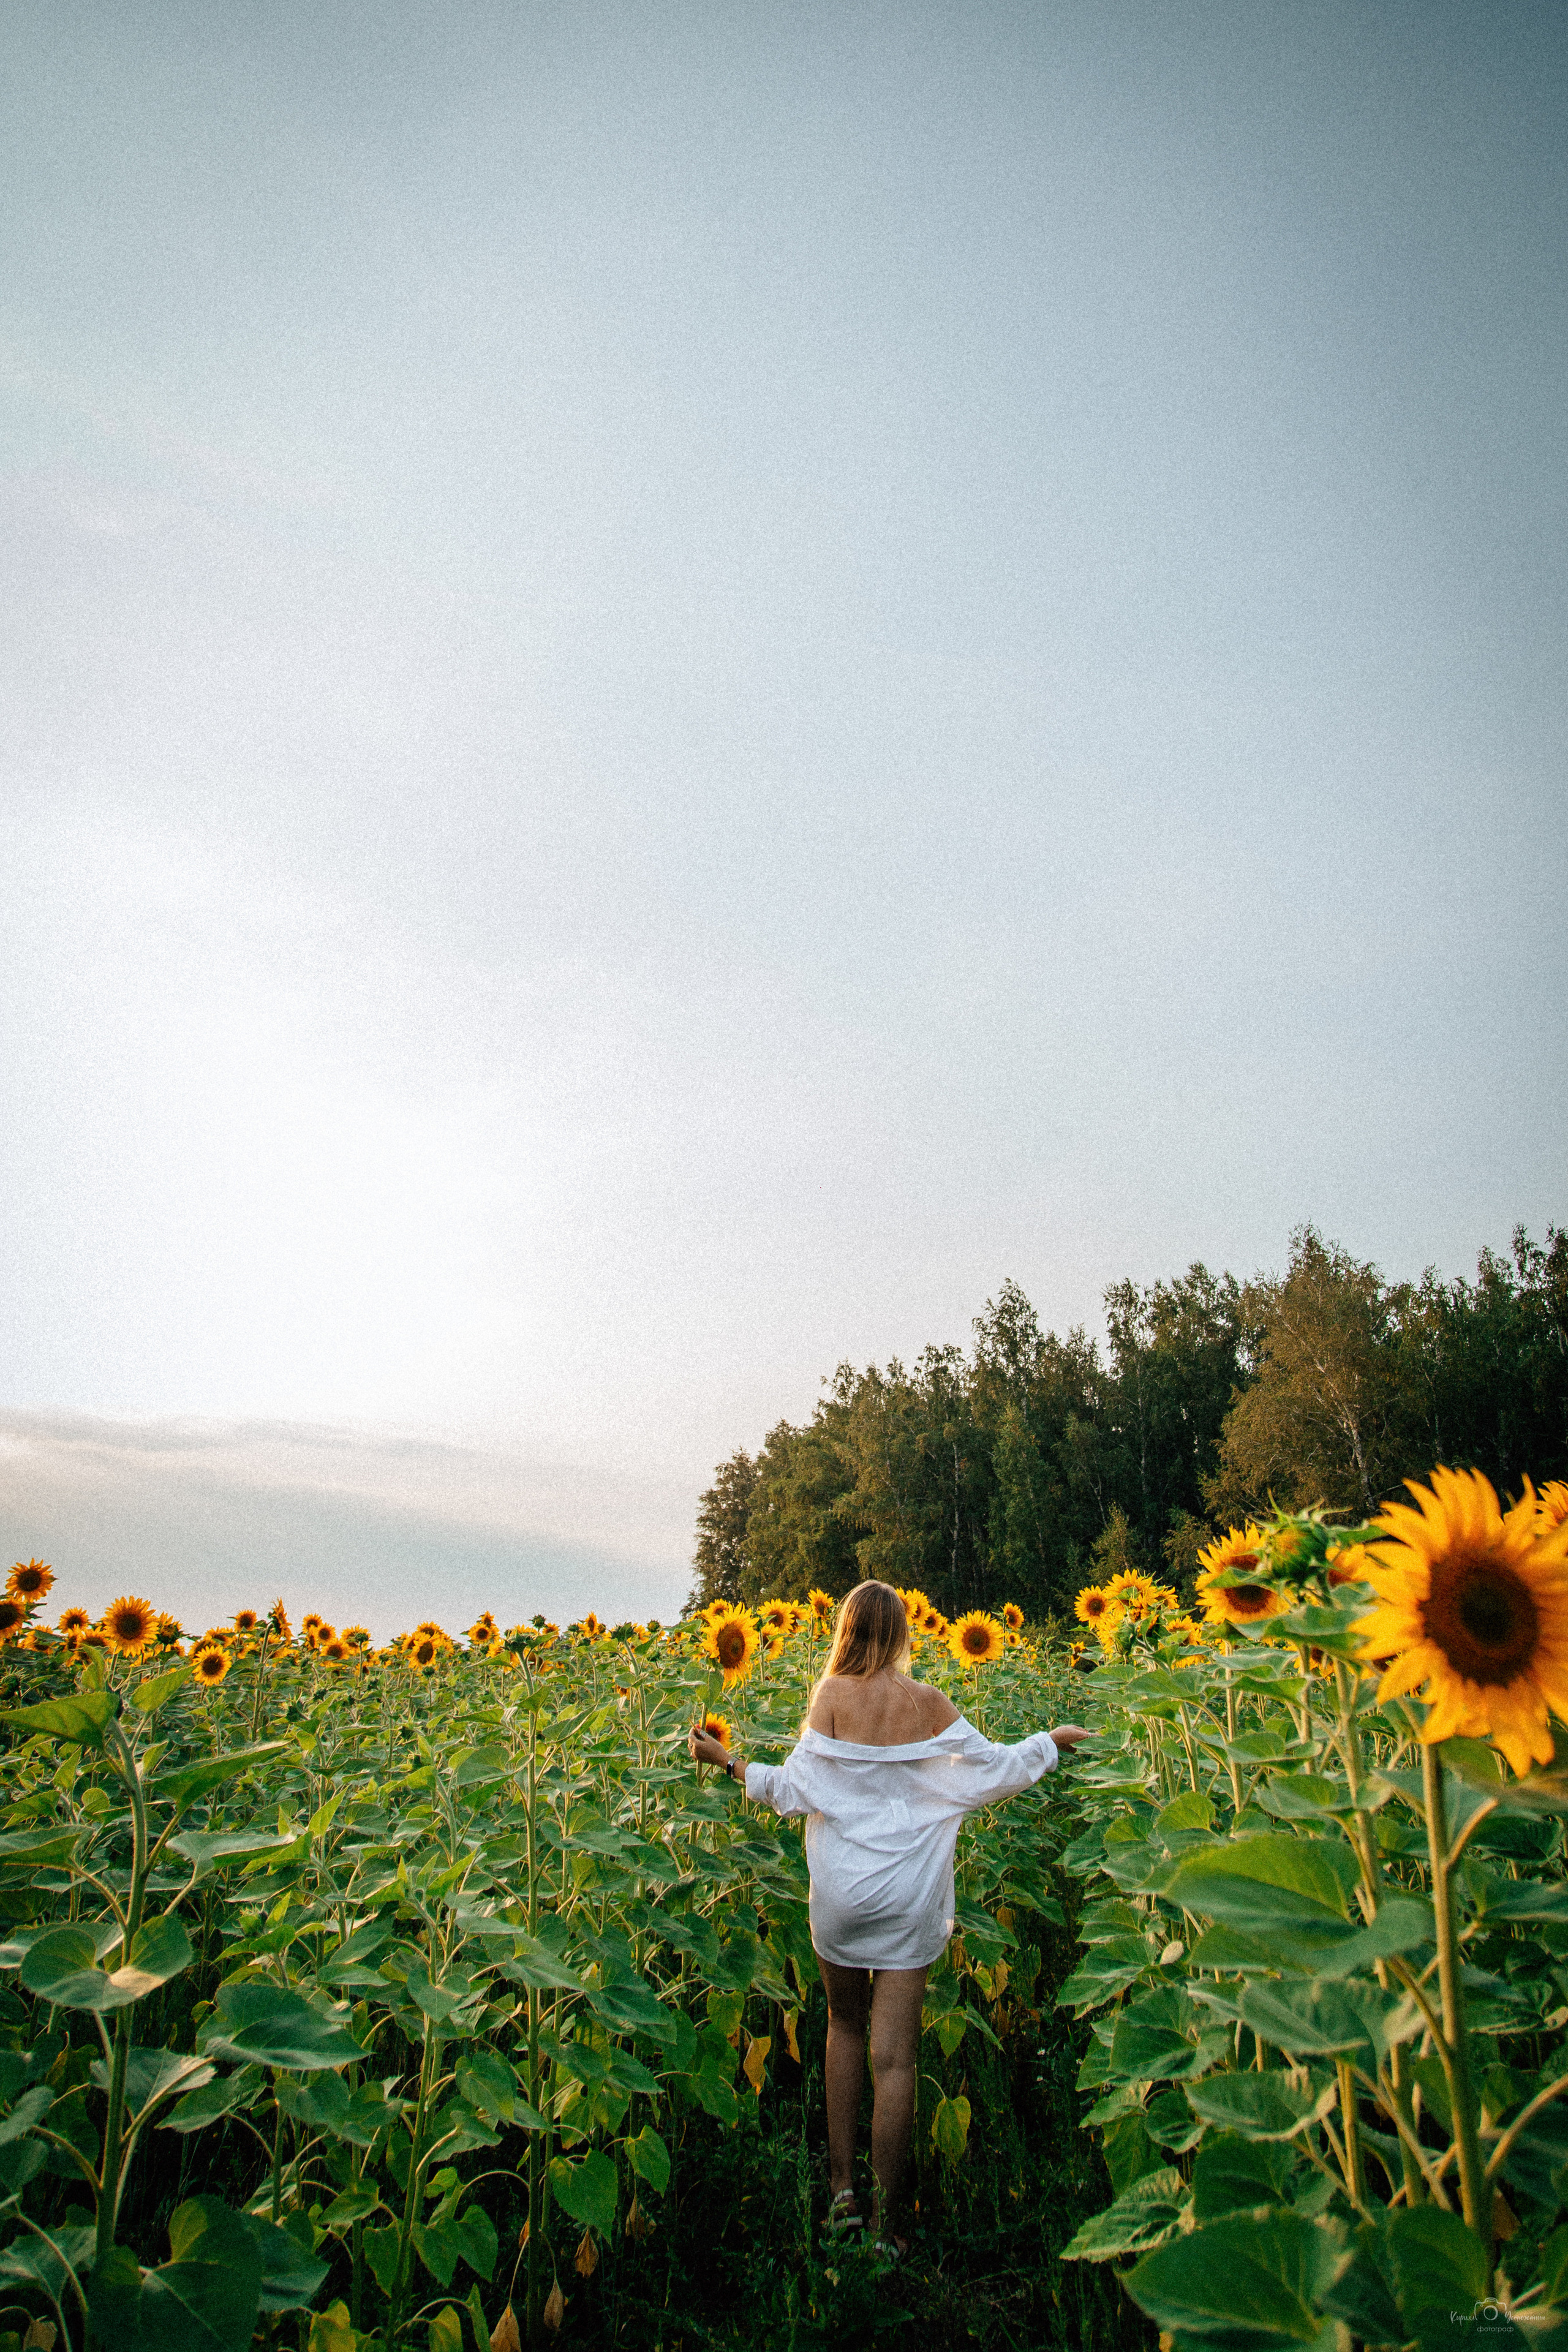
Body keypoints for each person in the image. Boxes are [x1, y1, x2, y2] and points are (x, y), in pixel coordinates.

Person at [687, 1580, 1087, 2253]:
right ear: (902, 1632)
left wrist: (727, 1762)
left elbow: (791, 1790)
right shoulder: (925, 1702)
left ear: (845, 1630)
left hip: (843, 1897)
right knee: (895, 2061)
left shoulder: (831, 1698)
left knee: (843, 2027)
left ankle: (841, 2195)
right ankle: (884, 2227)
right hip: (909, 1894)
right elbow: (994, 1769)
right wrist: (1049, 1740)